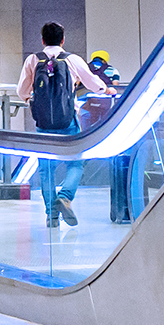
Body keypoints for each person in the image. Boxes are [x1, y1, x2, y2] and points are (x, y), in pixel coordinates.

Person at [16, 22, 108, 228]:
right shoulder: (72, 59)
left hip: (43, 123)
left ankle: (51, 216)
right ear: (63, 40)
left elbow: (22, 91)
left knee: (46, 169)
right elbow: (93, 83)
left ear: (42, 40)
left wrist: (31, 99)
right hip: (68, 121)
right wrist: (105, 90)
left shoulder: (33, 59)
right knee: (76, 163)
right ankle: (65, 197)